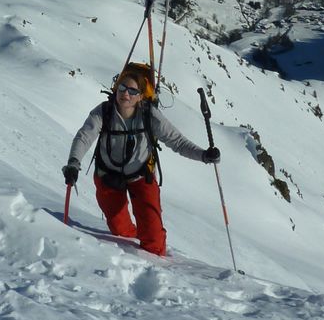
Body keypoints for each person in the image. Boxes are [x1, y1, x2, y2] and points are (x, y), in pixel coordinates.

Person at [63, 64, 220, 256]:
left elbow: (177, 141)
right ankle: (131, 259)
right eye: (122, 88)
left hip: (141, 176)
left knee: (153, 235)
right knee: (119, 229)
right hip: (108, 175)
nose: (125, 94)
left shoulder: (149, 115)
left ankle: (157, 265)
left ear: (140, 96)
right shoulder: (103, 112)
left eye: (132, 91)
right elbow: (84, 136)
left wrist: (204, 155)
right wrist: (73, 163)